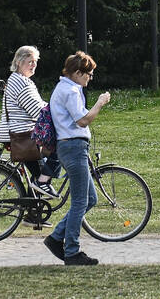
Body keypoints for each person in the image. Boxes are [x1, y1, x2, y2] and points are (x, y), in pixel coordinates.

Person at [43, 51, 111, 266]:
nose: (90, 78)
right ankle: (72, 251)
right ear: (78, 73)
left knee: (90, 199)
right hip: (73, 146)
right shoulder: (71, 90)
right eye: (88, 74)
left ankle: (56, 238)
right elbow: (82, 121)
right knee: (80, 201)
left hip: (70, 146)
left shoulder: (63, 87)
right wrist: (99, 103)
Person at [0, 45, 61, 197]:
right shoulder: (21, 83)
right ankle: (34, 210)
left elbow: (40, 106)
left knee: (39, 174)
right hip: (22, 135)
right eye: (30, 61)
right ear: (19, 61)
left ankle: (34, 214)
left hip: (21, 133)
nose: (34, 65)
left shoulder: (19, 79)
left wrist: (55, 108)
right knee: (59, 146)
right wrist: (60, 113)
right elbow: (38, 111)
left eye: (36, 61)